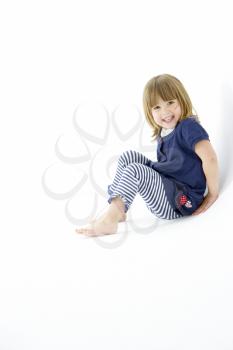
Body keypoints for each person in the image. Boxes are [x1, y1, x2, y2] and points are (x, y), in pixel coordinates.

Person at [75, 73, 219, 237]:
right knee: (128, 157)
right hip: (168, 188)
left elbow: (210, 158)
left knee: (135, 170)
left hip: (182, 200)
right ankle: (117, 210)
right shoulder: (164, 132)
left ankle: (110, 221)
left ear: (182, 100)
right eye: (157, 107)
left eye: (170, 103)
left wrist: (212, 193)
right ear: (150, 112)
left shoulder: (188, 126)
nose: (165, 111)